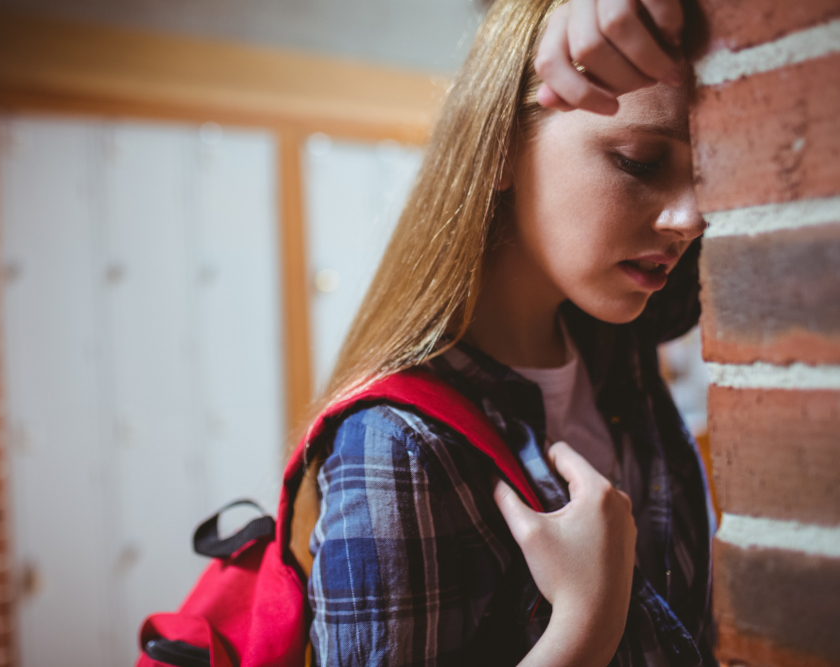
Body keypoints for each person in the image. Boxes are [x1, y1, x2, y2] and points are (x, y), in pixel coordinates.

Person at [300, 0, 716, 664]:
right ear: (499, 147)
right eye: (640, 160)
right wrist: (583, 624)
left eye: (705, 175)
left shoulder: (619, 344)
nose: (689, 218)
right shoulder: (395, 444)